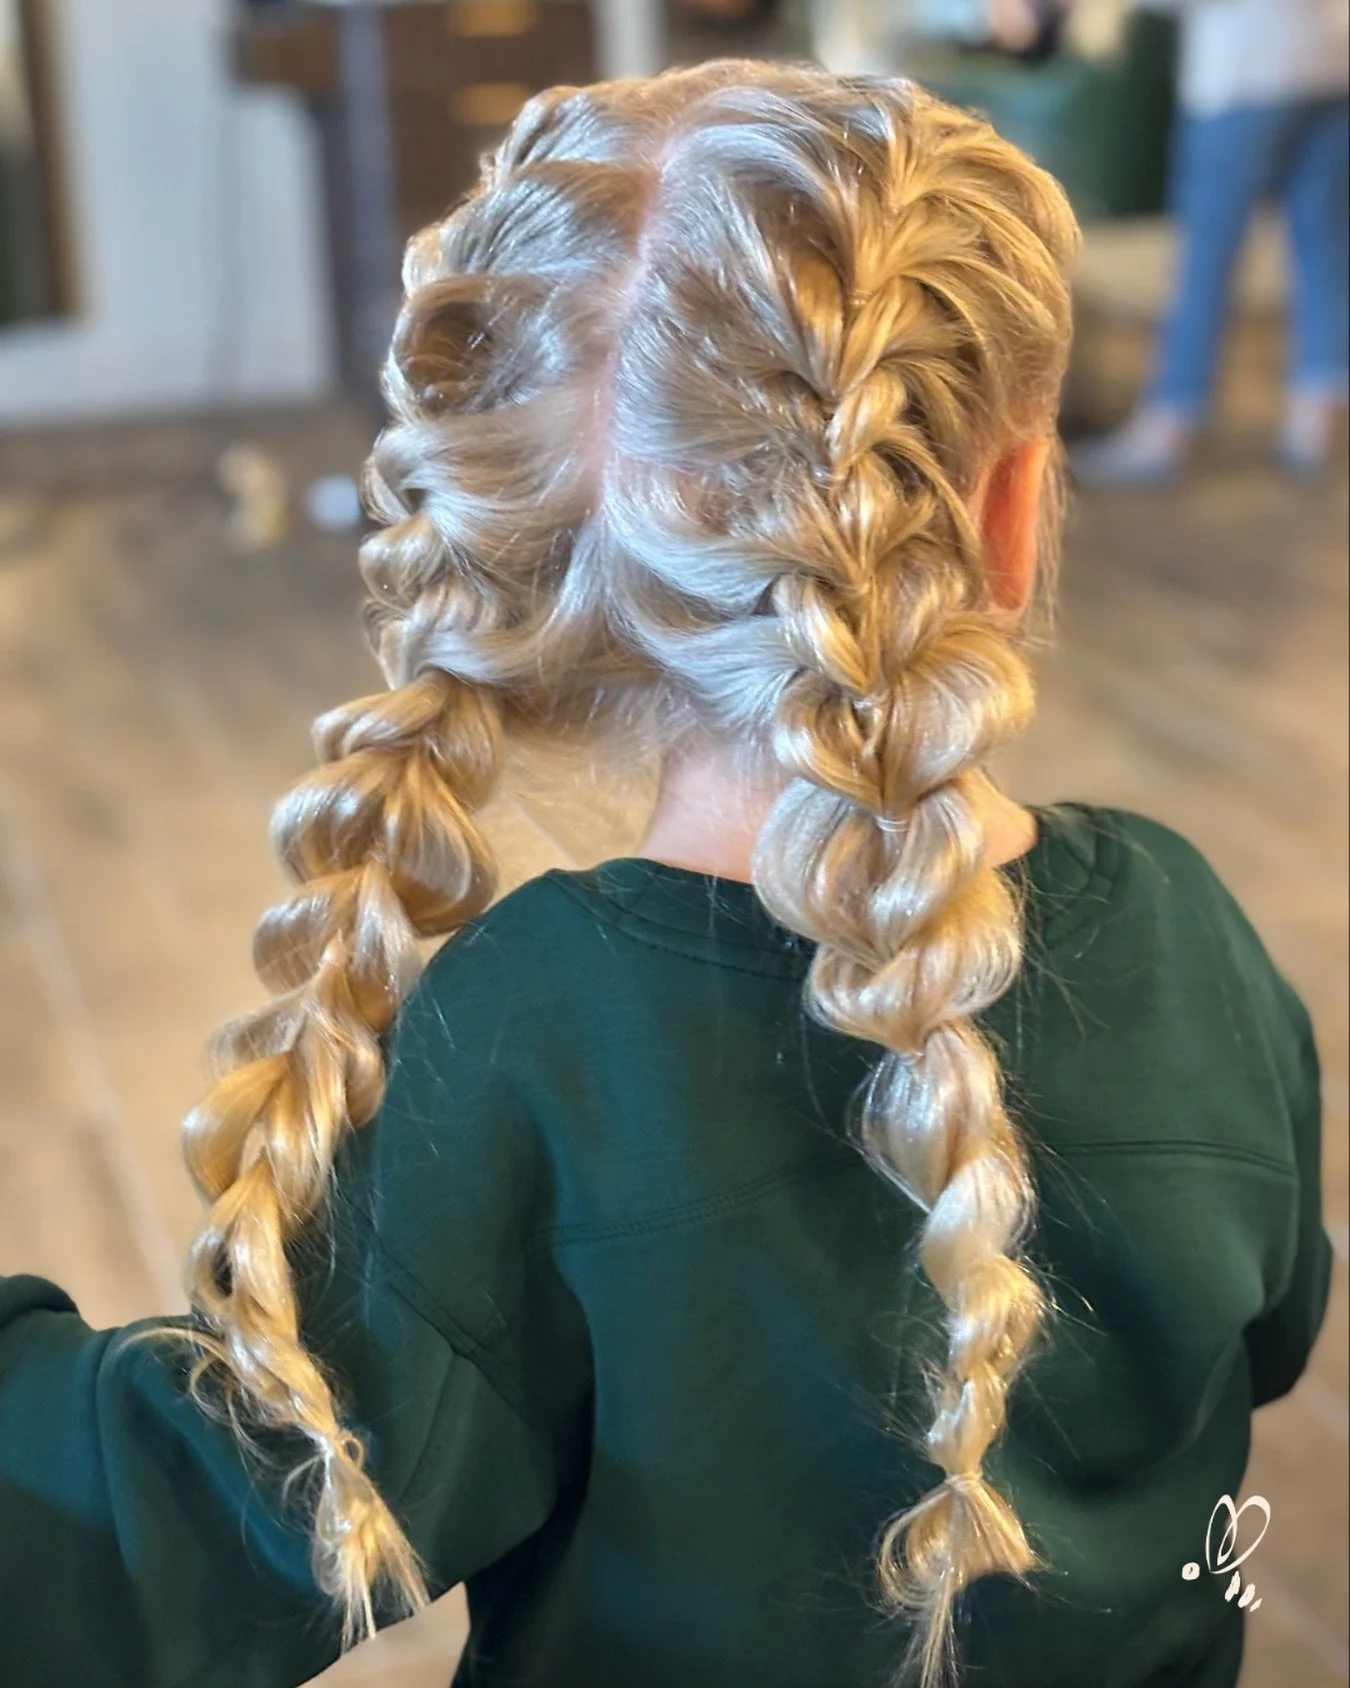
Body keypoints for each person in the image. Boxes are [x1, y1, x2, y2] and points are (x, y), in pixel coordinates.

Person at [0, 60, 1331, 1688]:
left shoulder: (537, 1032)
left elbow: (172, 1538)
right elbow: (1273, 1341)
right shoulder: (1188, 926)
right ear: (1002, 510)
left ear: (523, 549)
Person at [1073, 0, 1350, 485]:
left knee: (1206, 258)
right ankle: (1316, 421)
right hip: (1332, 59)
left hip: (1246, 69)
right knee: (1323, 247)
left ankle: (1169, 424)